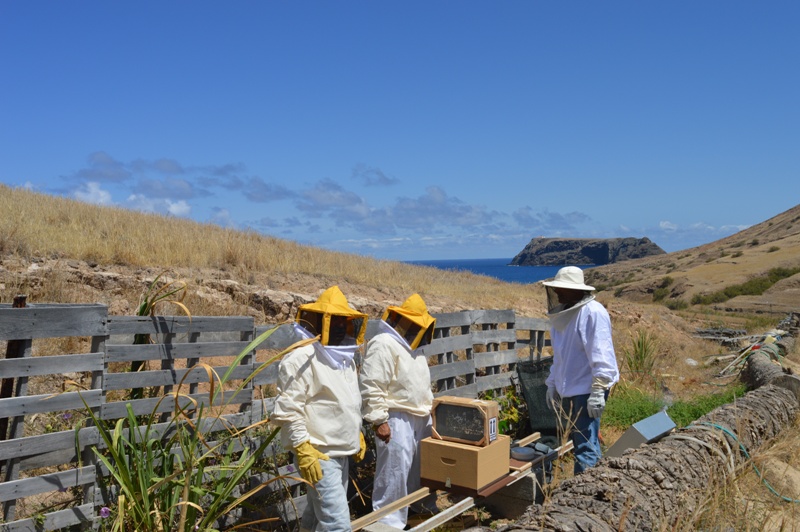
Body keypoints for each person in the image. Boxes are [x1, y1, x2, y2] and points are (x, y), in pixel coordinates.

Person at [271, 285, 368, 532]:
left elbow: (346, 401)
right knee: (337, 524)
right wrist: (303, 448)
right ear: (317, 321)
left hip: (340, 452)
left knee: (316, 514)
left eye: (343, 322)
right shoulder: (300, 358)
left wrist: (356, 432)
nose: (339, 327)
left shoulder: (344, 358)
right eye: (334, 321)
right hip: (319, 454)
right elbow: (289, 410)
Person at [359, 294, 437, 529]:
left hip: (419, 416)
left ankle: (420, 512)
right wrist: (379, 419)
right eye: (411, 324)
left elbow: (418, 383)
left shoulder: (414, 348)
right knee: (395, 472)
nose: (414, 329)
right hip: (395, 416)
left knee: (420, 469)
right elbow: (371, 383)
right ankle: (388, 523)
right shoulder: (383, 343)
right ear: (401, 320)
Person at [542, 266, 619, 474]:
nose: (557, 293)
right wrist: (552, 384)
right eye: (556, 289)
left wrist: (598, 389)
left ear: (577, 290)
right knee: (582, 440)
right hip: (574, 389)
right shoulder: (563, 317)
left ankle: (586, 495)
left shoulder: (593, 312)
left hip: (588, 389)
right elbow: (560, 356)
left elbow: (602, 354)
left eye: (562, 289)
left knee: (585, 445)